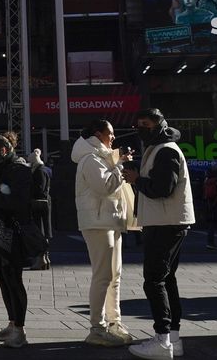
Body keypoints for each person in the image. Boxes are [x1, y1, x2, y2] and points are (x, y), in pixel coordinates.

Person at [123, 108, 195, 360]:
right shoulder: (160, 148)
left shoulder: (165, 150)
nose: (141, 128)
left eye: (146, 124)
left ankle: (162, 339)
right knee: (166, 279)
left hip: (165, 223)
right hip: (167, 221)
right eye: (139, 123)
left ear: (158, 126)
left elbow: (161, 188)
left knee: (154, 280)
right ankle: (173, 338)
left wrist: (135, 179)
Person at [72, 119, 137, 348]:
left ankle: (113, 322)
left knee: (114, 275)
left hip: (109, 220)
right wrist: (119, 167)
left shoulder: (100, 157)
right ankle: (97, 327)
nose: (114, 138)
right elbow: (105, 186)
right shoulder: (90, 159)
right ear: (98, 135)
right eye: (110, 134)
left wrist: (117, 162)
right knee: (103, 276)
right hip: (98, 222)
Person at [0, 132, 34, 349]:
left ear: (4, 150)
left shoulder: (19, 169)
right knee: (2, 277)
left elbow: (18, 200)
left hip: (12, 229)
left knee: (13, 278)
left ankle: (20, 330)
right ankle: (12, 323)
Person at [28, 149, 53, 270]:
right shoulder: (47, 170)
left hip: (38, 203)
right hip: (45, 203)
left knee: (39, 232)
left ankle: (40, 258)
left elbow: (39, 189)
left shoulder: (39, 171)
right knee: (45, 232)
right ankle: (45, 258)